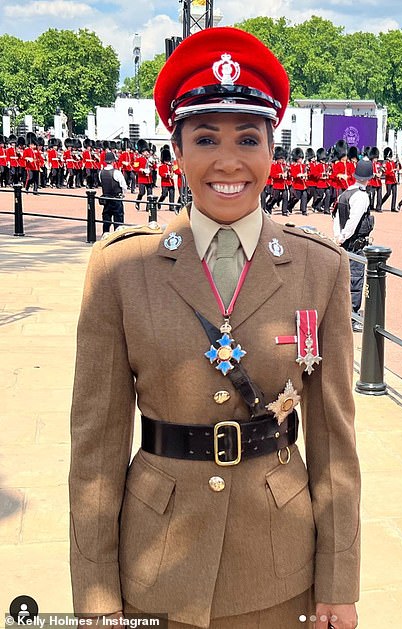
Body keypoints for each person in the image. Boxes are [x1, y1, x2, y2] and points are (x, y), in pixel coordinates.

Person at [69, 26, 360, 629]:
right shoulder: (122, 269)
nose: (229, 161)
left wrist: (339, 578)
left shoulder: (318, 267)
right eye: (205, 139)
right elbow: (94, 451)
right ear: (177, 153)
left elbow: (334, 442)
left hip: (278, 565)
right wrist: (96, 596)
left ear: (271, 151)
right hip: (156, 563)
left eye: (248, 139)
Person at [333, 159, 373, 333]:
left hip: (344, 241)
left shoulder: (346, 193)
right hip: (354, 242)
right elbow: (353, 221)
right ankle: (352, 316)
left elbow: (335, 217)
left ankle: (344, 313)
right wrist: (343, 237)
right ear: (368, 178)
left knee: (345, 279)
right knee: (355, 280)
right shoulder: (361, 196)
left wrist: (338, 236)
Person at [99, 150, 127, 233]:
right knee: (118, 222)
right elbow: (124, 186)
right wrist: (122, 193)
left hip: (106, 199)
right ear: (113, 161)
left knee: (106, 221)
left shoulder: (101, 172)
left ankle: (105, 236)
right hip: (116, 199)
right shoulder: (117, 172)